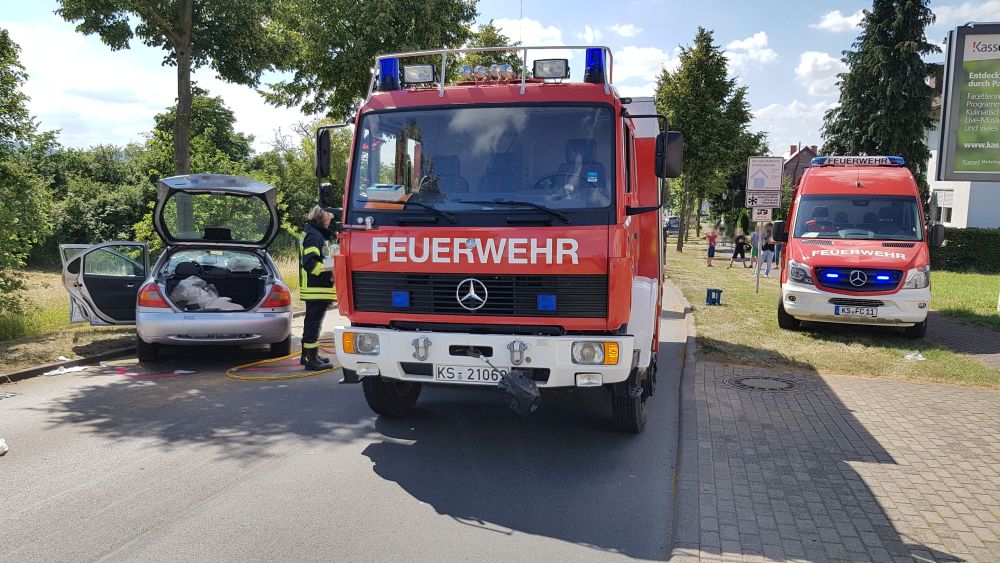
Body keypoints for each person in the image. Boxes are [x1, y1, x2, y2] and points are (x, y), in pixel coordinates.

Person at [299, 206, 338, 370]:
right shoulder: (314, 236)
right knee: (313, 325)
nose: (331, 220)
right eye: (329, 217)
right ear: (322, 217)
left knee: (313, 324)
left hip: (317, 288)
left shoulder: (315, 233)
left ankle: (310, 355)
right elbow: (310, 263)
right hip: (315, 288)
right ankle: (310, 359)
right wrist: (330, 270)